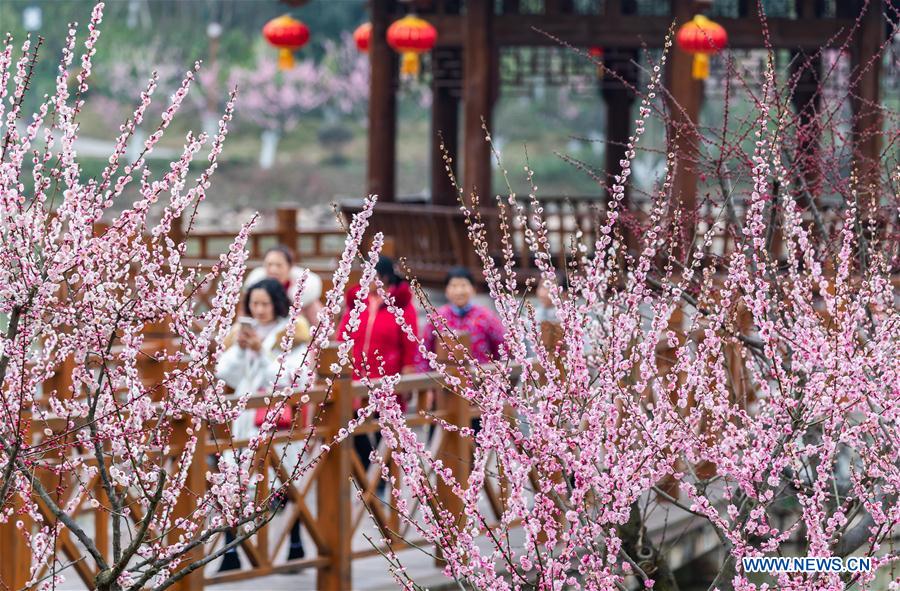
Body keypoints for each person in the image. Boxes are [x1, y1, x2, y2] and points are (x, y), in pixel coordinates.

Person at [215, 278, 312, 569]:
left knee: (285, 485)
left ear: (277, 304)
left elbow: (294, 379)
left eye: (264, 304)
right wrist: (242, 348)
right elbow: (225, 373)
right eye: (254, 303)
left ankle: (295, 543)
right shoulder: (241, 333)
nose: (259, 310)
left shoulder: (293, 332)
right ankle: (231, 551)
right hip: (245, 422)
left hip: (277, 423)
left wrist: (262, 351)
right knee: (234, 482)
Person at [336, 256, 420, 470]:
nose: (370, 280)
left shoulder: (400, 304)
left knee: (386, 426)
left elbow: (410, 340)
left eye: (374, 275)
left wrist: (409, 369)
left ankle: (384, 475)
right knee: (356, 423)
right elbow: (344, 333)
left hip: (387, 372)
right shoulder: (357, 301)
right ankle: (364, 471)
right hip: (357, 373)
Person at [425, 267, 505, 364]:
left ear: (473, 289)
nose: (459, 291)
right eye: (454, 286)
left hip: (482, 375)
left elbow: (503, 348)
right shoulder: (437, 317)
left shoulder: (486, 317)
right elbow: (425, 351)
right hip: (445, 377)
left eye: (463, 285)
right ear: (446, 290)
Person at [244, 245, 324, 326]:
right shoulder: (256, 291)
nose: (273, 270)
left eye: (279, 265)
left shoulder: (303, 296)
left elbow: (320, 327)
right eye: (269, 264)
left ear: (290, 267)